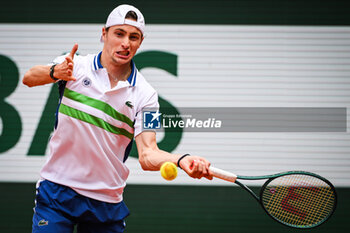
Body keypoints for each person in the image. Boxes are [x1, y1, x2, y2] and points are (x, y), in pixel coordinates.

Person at [23, 4, 212, 233]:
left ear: (140, 42)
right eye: (119, 33)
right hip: (57, 191)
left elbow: (148, 155)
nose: (126, 43)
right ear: (104, 34)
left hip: (105, 202)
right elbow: (29, 78)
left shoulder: (147, 96)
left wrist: (181, 160)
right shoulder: (75, 65)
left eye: (134, 37)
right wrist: (55, 72)